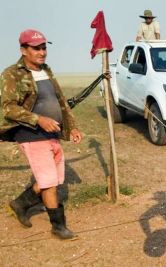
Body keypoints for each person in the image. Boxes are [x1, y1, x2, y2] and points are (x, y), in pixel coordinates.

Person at [0, 29, 82, 239]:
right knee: (50, 183)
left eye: (44, 47)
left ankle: (20, 204)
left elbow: (61, 100)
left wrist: (71, 126)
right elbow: (8, 107)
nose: (42, 52)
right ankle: (58, 227)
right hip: (30, 134)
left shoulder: (46, 70)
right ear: (23, 50)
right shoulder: (12, 74)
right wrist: (39, 119)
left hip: (52, 133)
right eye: (36, 48)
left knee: (51, 179)